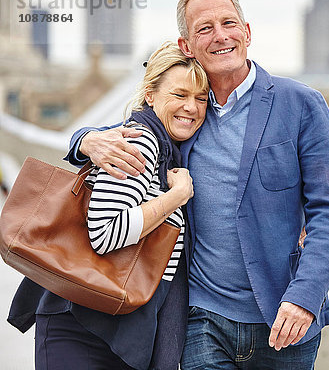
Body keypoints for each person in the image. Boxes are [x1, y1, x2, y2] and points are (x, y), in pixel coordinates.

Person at [67, 0, 329, 369]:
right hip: (202, 319)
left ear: (246, 33)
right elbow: (134, 129)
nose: (221, 36)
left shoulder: (301, 104)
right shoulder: (186, 115)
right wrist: (85, 141)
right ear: (187, 46)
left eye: (229, 23)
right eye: (204, 28)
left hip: (284, 320)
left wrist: (305, 297)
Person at [8, 42, 209, 370]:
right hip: (85, 330)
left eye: (201, 99)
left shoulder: (166, 148)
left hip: (109, 325)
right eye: (180, 95)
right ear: (150, 95)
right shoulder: (142, 142)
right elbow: (106, 232)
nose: (192, 107)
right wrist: (176, 196)